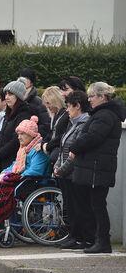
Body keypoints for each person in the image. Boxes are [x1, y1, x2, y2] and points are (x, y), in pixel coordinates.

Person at [69, 82, 126, 253]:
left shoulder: (105, 115)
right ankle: (99, 240)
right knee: (95, 204)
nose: (90, 100)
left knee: (97, 205)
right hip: (97, 166)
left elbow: (92, 137)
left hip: (97, 167)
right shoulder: (104, 114)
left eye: (92, 96)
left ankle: (102, 241)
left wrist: (74, 146)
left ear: (102, 97)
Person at [53, 91, 93, 250]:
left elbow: (74, 152)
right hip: (64, 172)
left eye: (69, 106)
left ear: (78, 106)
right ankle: (73, 235)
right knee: (70, 206)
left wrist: (61, 169)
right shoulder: (72, 123)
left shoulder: (83, 124)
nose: (67, 110)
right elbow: (63, 147)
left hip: (73, 172)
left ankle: (80, 237)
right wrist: (57, 165)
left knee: (78, 207)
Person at [0, 80, 33, 177]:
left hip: (13, 159)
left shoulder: (24, 114)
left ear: (18, 96)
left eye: (10, 94)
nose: (7, 97)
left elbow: (16, 140)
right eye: (6, 94)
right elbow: (1, 136)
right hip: (3, 159)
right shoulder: (8, 114)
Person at [0, 116, 49, 181]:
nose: (19, 137)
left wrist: (16, 177)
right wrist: (4, 173)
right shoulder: (23, 149)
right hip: (23, 180)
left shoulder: (38, 149)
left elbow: (36, 170)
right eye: (18, 134)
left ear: (31, 135)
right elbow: (15, 165)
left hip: (33, 183)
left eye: (22, 134)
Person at [18, 68, 51, 138]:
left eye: (26, 78)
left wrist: (32, 133)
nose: (23, 80)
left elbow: (45, 124)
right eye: (21, 77)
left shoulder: (37, 101)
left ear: (31, 82)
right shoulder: (16, 98)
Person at [41, 86, 69, 166]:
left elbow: (62, 135)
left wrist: (47, 146)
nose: (47, 107)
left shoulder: (65, 115)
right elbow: (51, 133)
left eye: (48, 103)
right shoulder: (57, 115)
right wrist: (43, 143)